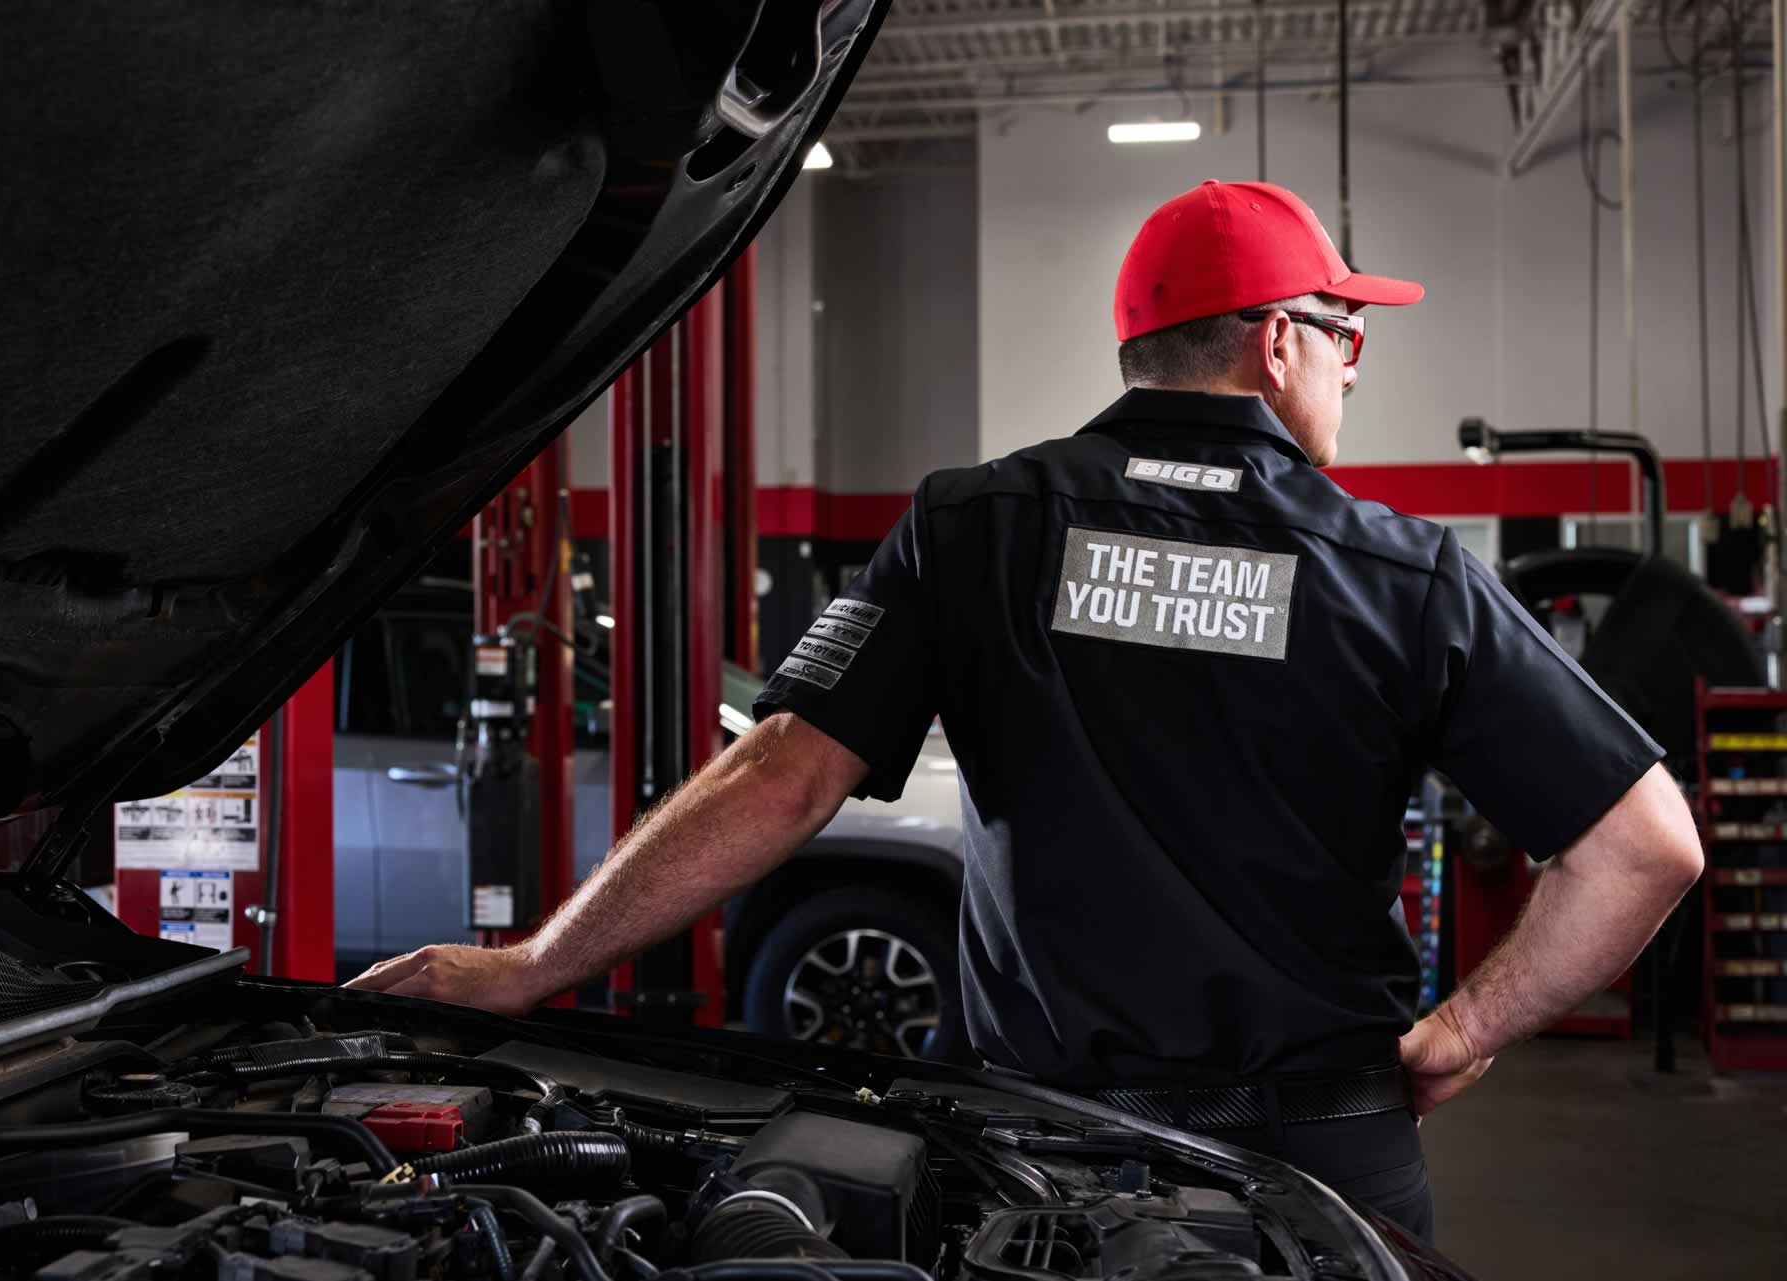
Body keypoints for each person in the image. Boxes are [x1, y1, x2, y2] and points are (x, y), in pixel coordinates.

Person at [349, 180, 1703, 1242]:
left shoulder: (977, 526)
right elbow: (1648, 845)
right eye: (1347, 337)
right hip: (1317, 1154)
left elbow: (780, 776)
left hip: (1036, 1155)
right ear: (1283, 342)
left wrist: (532, 964)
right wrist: (1461, 1031)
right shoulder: (1405, 572)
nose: (1355, 370)